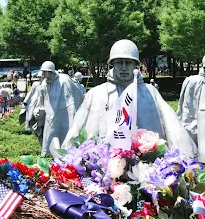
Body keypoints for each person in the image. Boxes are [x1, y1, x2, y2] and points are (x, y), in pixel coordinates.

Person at [64, 39, 196, 159]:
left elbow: (172, 125)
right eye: (119, 62)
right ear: (112, 65)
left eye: (128, 62)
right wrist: (66, 156)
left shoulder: (149, 92)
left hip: (145, 165)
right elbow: (77, 127)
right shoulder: (96, 93)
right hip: (103, 164)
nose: (123, 67)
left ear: (135, 65)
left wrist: (185, 155)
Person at [33, 61, 85, 157]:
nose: (43, 74)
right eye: (43, 72)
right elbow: (41, 98)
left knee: (66, 135)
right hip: (50, 114)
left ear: (51, 72)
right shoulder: (44, 83)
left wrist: (72, 112)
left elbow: (72, 96)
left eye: (45, 72)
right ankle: (48, 156)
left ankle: (68, 156)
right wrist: (39, 109)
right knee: (50, 134)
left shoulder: (64, 80)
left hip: (64, 113)